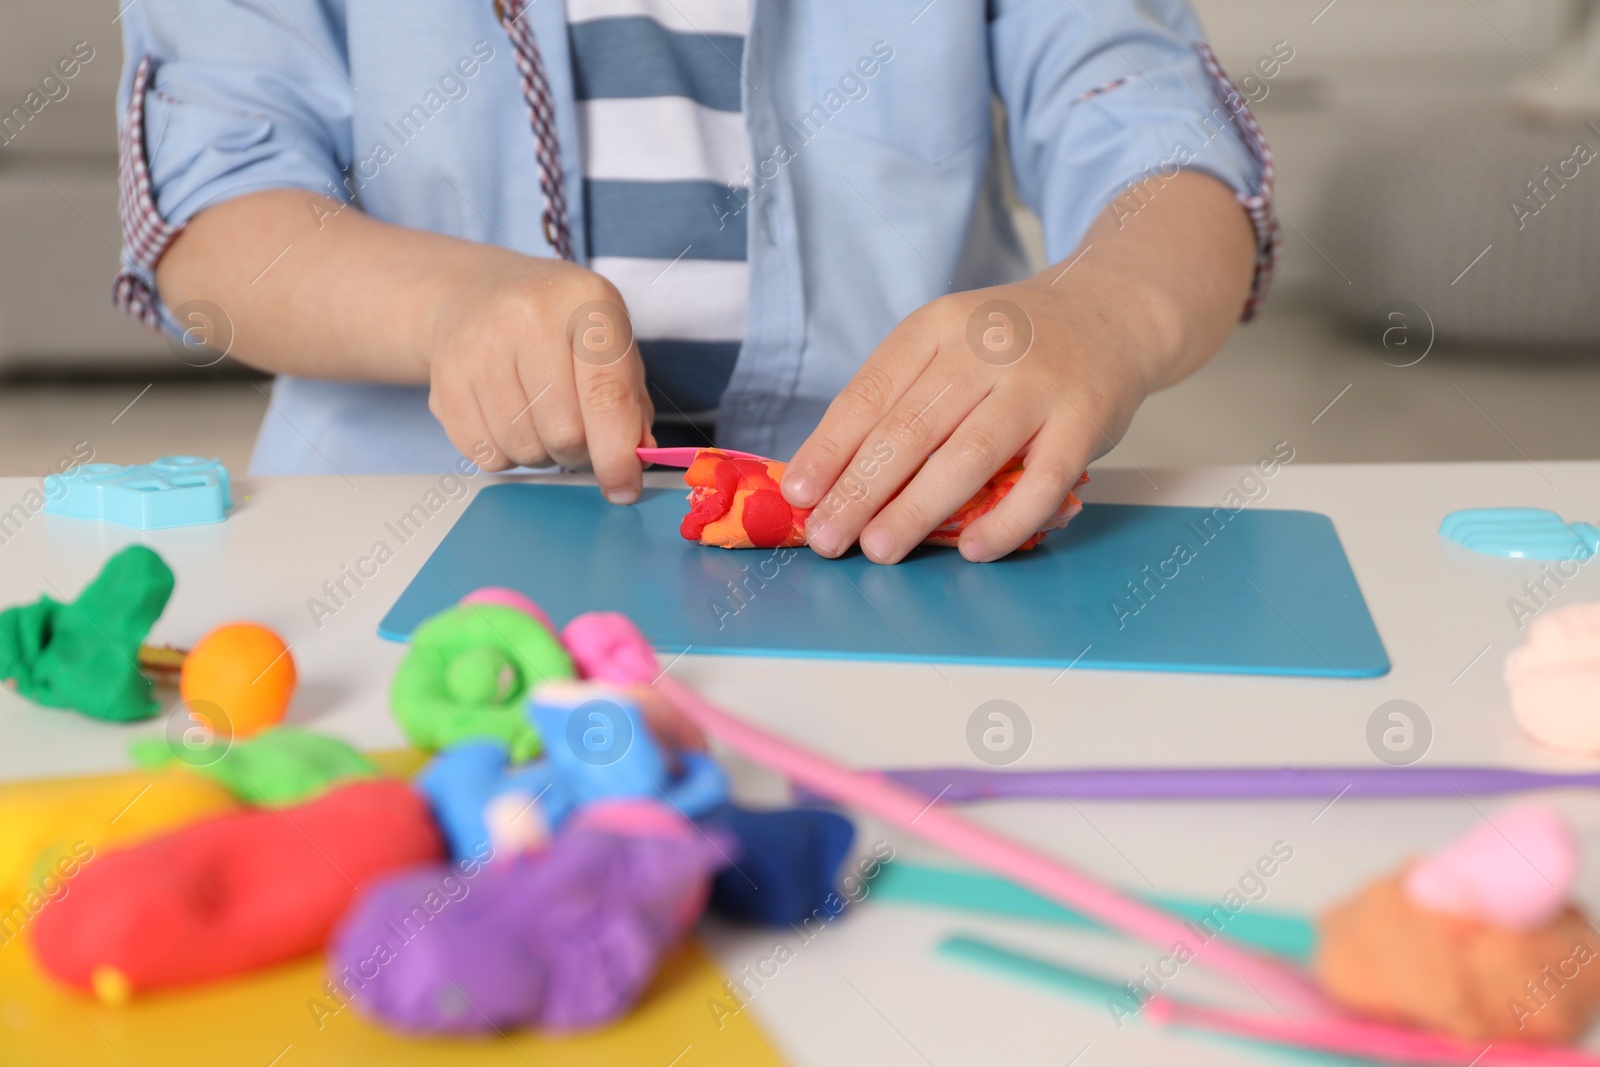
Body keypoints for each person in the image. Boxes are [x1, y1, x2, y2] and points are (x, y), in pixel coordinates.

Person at [116, 0, 1274, 563]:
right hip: (387, 539)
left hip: (904, 539)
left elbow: (1160, 152)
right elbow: (212, 221)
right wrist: (444, 304)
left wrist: (1100, 314)